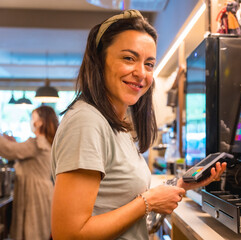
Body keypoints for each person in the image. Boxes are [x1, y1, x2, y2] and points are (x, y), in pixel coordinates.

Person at [51, 9, 227, 240]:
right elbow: (68, 234)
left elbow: (118, 199)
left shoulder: (114, 123)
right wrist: (149, 202)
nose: (141, 73)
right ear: (99, 59)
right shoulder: (86, 122)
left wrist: (184, 183)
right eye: (129, 58)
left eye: (149, 64)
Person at [0, 105, 58, 240]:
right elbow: (17, 149)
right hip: (39, 191)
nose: (31, 122)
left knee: (32, 233)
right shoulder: (45, 141)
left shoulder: (37, 143)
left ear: (40, 122)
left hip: (35, 193)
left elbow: (9, 151)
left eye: (33, 118)